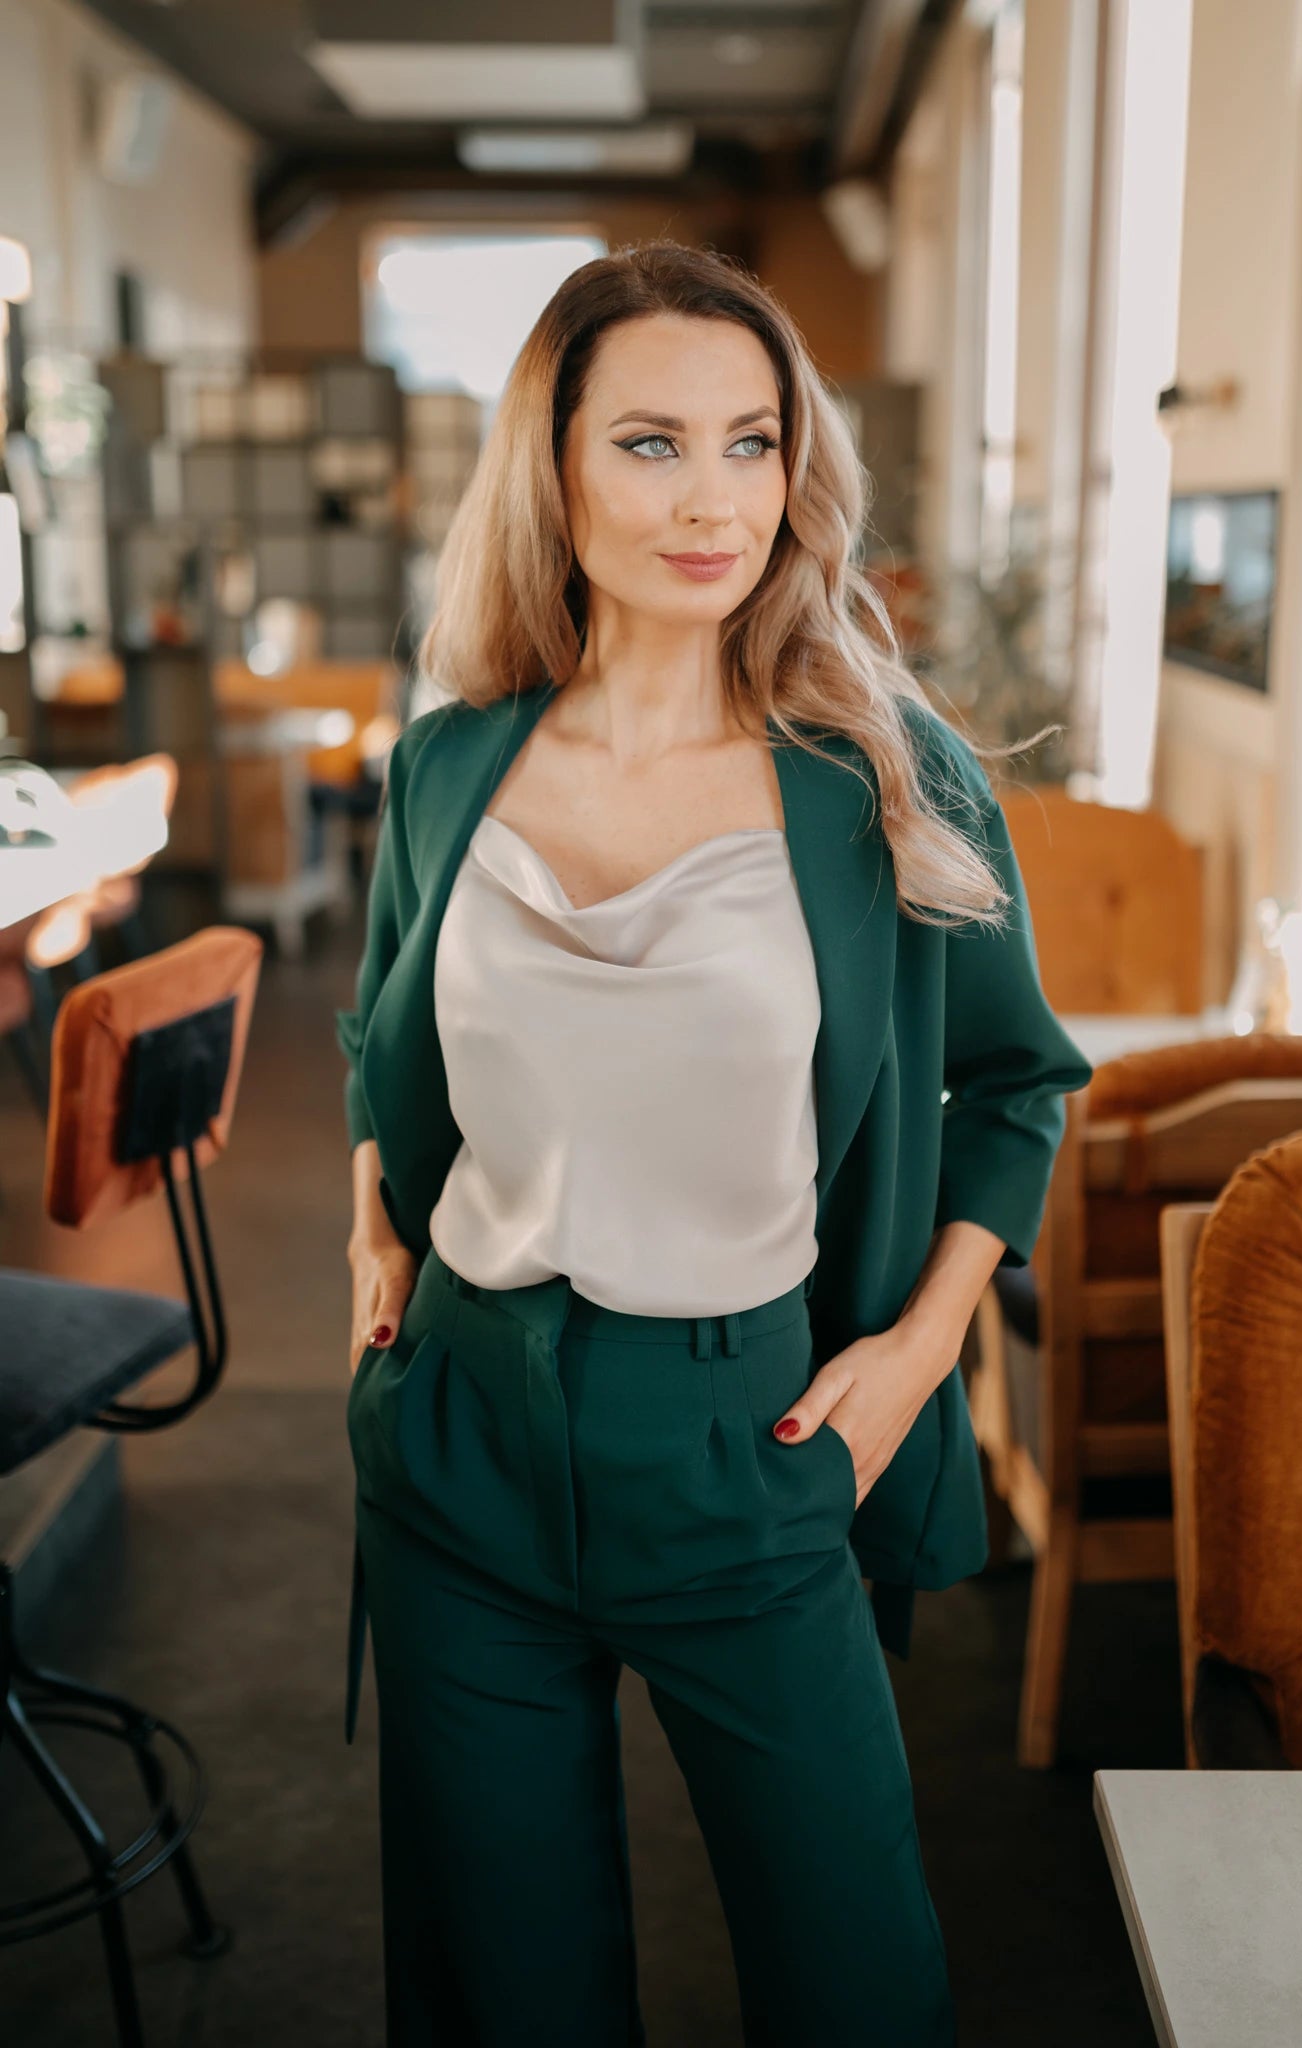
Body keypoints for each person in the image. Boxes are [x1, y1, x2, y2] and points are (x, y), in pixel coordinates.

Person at [337, 240, 1093, 2048]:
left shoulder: (878, 776)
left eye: (750, 445)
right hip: (459, 1437)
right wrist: (369, 1234)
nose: (713, 500)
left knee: (857, 1981)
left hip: (748, 1439)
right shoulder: (446, 767)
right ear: (558, 468)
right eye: (653, 443)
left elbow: (1015, 1082)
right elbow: (384, 1042)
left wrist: (915, 1361)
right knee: (506, 1996)